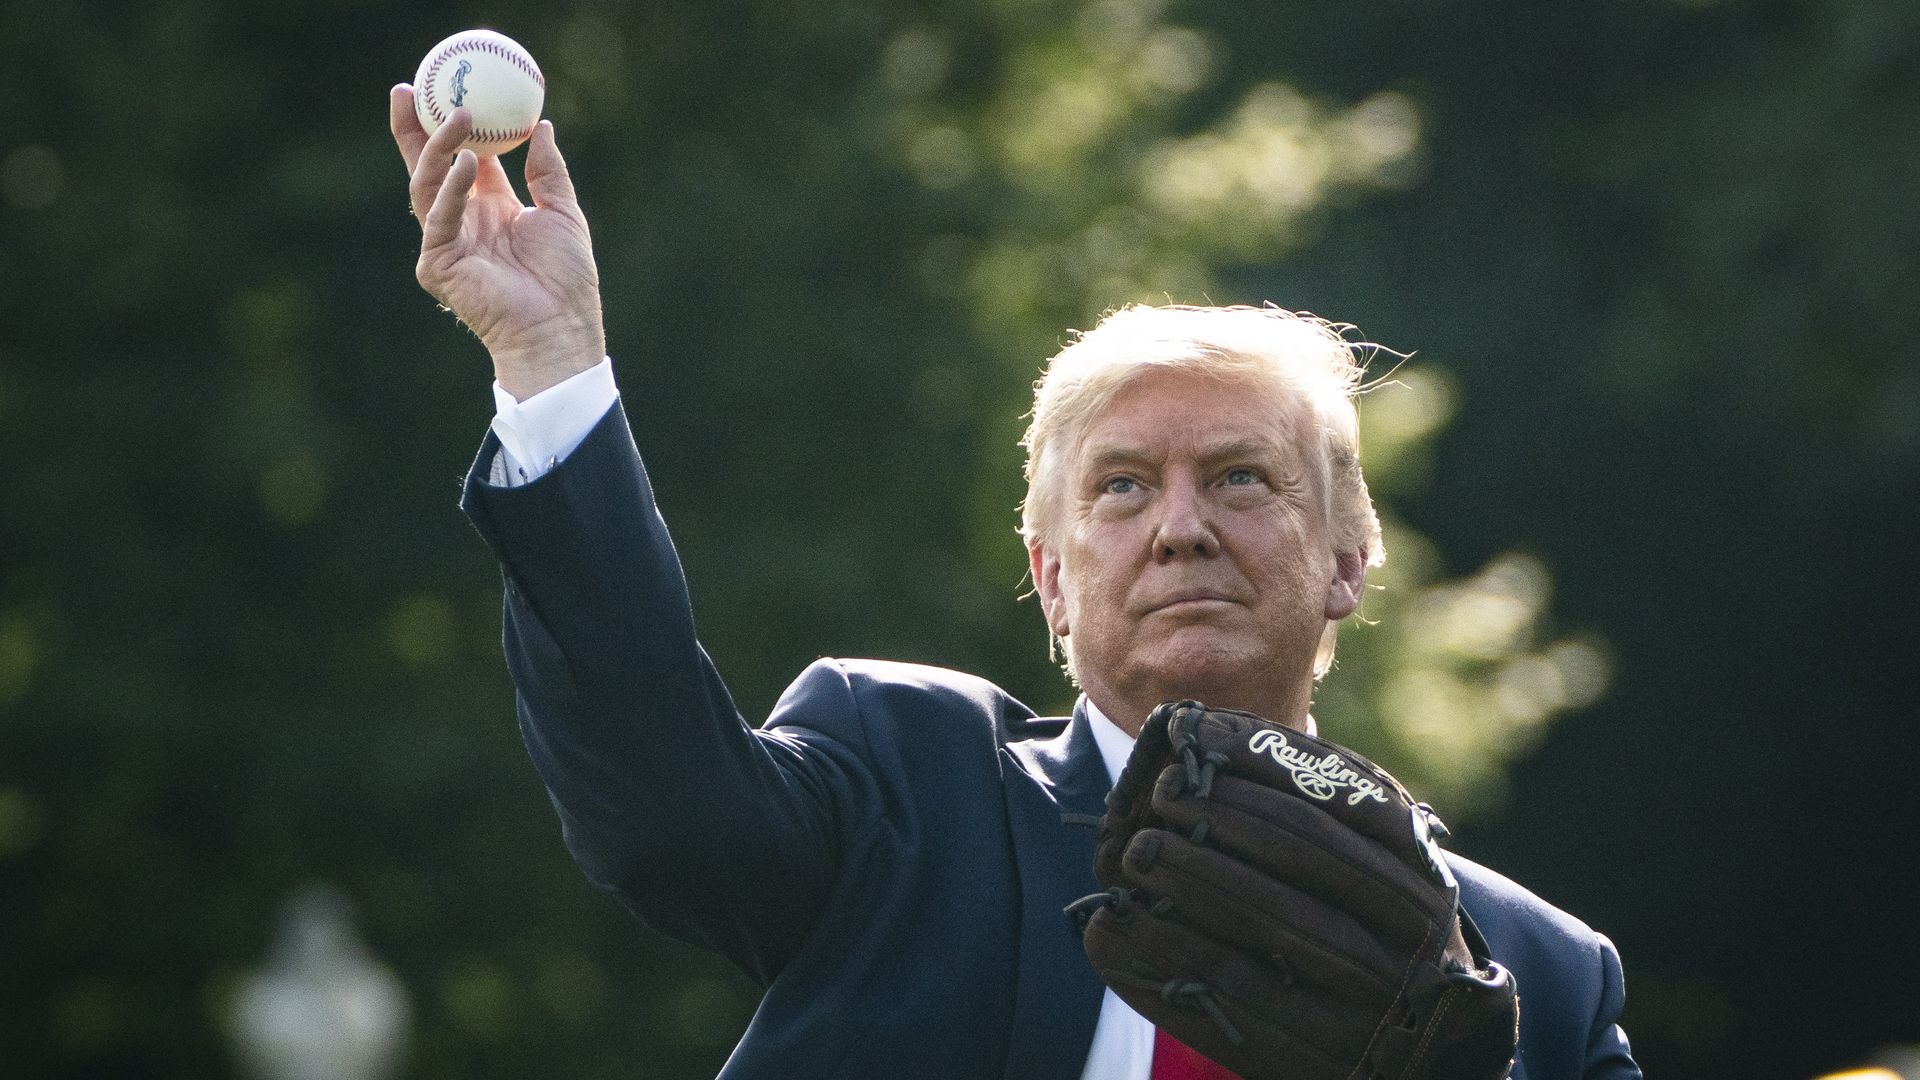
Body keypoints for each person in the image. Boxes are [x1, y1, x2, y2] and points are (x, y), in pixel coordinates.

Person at [389, 90, 1642, 1080]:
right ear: (1049, 580)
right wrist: (551, 361)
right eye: (1122, 489)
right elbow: (667, 815)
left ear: (1350, 558)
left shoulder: (1532, 977)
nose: (1182, 529)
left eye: (1245, 479)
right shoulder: (914, 786)